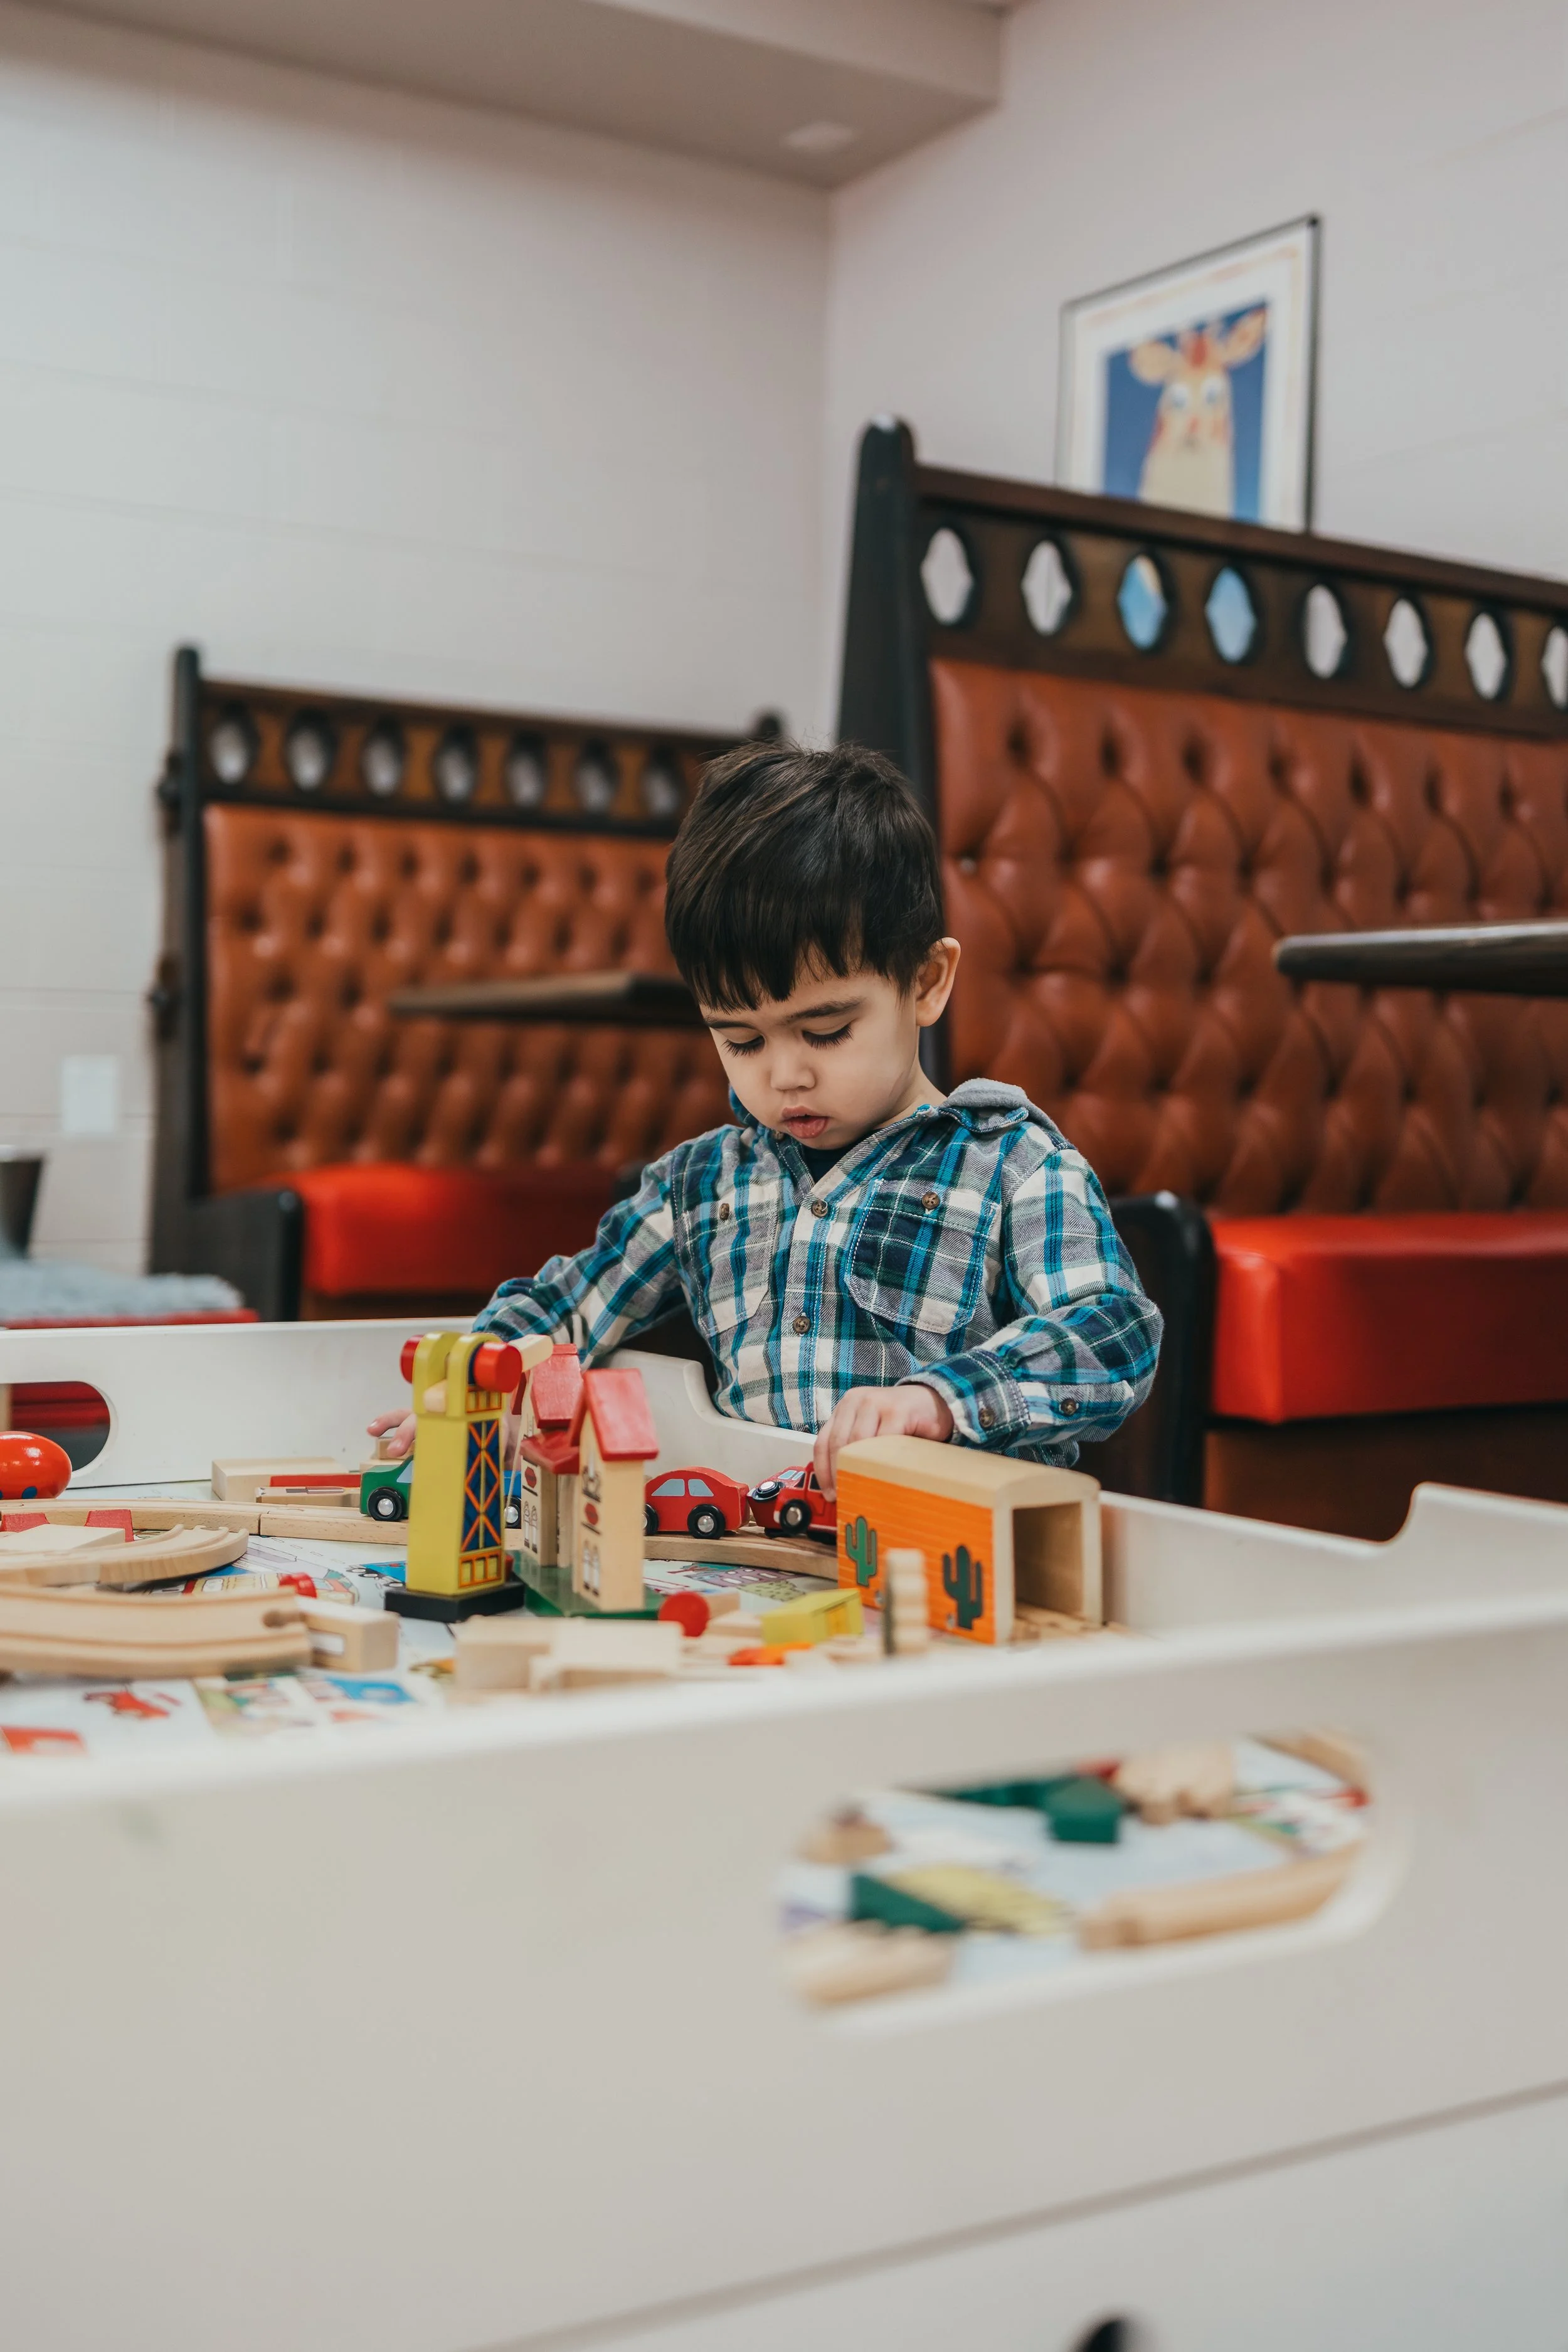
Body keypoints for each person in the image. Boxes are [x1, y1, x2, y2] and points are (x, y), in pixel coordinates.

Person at [368, 740, 1162, 1496]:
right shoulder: (703, 1185)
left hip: (955, 1564)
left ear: (924, 982)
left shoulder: (1012, 1164)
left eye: (826, 1031)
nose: (786, 1075)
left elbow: (1114, 1333)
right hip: (762, 1567)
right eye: (740, 1039)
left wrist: (942, 1402)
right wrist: (481, 1375)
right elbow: (568, 1303)